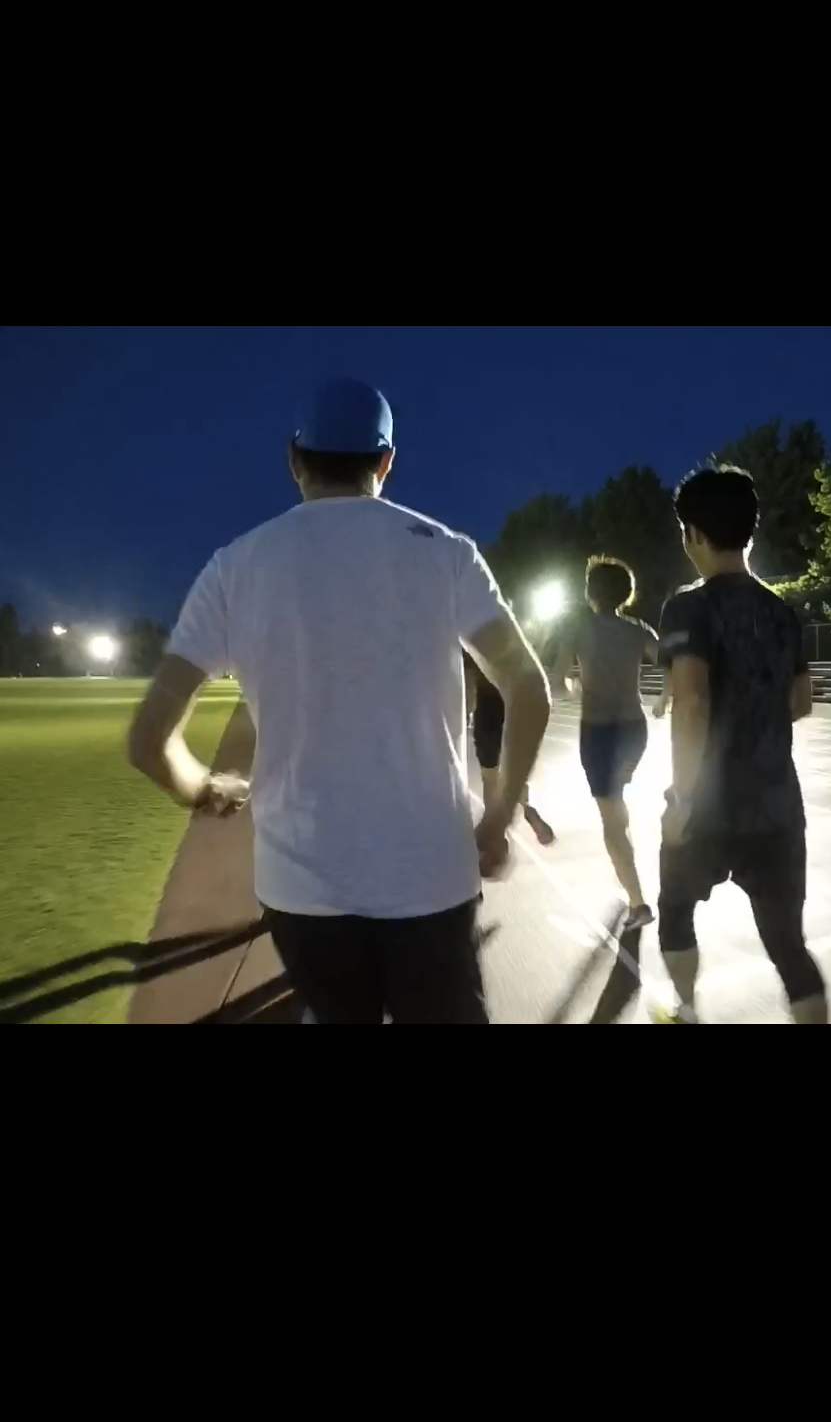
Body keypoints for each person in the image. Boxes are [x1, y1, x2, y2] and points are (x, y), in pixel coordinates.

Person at [127, 377, 549, 1024]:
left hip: (302, 886)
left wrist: (203, 788)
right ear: (386, 461)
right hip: (432, 875)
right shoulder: (447, 554)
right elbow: (528, 687)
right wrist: (500, 814)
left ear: (293, 459)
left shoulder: (233, 568)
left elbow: (148, 740)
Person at [654, 465, 828, 1025]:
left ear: (693, 534)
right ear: (750, 531)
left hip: (708, 804)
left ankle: (685, 1009)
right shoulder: (782, 612)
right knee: (789, 948)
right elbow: (801, 702)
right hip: (777, 803)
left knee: (675, 912)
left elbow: (691, 703)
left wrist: (682, 800)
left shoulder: (687, 607)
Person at [552, 556, 659, 927]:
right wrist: (666, 696)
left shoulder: (577, 631)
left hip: (599, 733)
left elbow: (556, 682)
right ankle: (627, 872)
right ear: (626, 593)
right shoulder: (639, 630)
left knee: (611, 817)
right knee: (618, 804)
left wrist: (575, 687)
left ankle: (638, 903)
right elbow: (673, 662)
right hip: (634, 730)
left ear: (589, 593)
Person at [465, 659, 555, 846]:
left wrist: (465, 714)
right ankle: (527, 808)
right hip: (514, 710)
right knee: (514, 774)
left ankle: (496, 834)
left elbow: (468, 686)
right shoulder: (505, 648)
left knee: (490, 778)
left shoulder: (472, 651)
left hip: (487, 715)